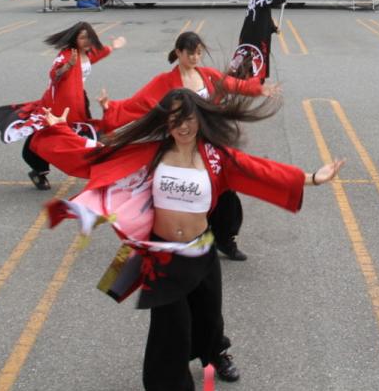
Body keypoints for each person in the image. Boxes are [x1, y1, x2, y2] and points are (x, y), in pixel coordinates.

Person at [32, 89, 344, 391]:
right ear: (166, 120)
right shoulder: (150, 152)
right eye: (175, 118)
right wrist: (55, 130)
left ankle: (215, 354)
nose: (183, 126)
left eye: (189, 118)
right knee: (172, 326)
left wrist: (312, 178)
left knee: (209, 315)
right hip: (162, 256)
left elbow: (259, 170)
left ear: (200, 119)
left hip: (200, 250)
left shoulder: (214, 157)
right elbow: (90, 155)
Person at [97, 31, 281, 261]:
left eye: (199, 53)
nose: (195, 57)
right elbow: (137, 103)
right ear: (179, 53)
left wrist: (259, 89)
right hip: (179, 147)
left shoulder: (207, 76)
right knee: (169, 194)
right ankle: (159, 240)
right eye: (191, 53)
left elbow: (233, 84)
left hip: (206, 144)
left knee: (225, 193)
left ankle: (225, 239)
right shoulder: (164, 82)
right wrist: (110, 108)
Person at [22, 22, 125, 190]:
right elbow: (55, 73)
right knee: (46, 137)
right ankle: (38, 170)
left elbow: (97, 55)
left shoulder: (87, 53)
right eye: (82, 37)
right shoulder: (67, 54)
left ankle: (96, 170)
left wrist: (114, 46)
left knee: (85, 134)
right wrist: (67, 66)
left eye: (89, 37)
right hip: (58, 104)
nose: (86, 40)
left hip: (78, 102)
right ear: (74, 38)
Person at [238, 0, 290, 80]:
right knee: (252, 53)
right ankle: (247, 75)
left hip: (260, 31)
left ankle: (257, 76)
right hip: (253, 31)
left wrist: (274, 28)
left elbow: (266, 15)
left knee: (260, 54)